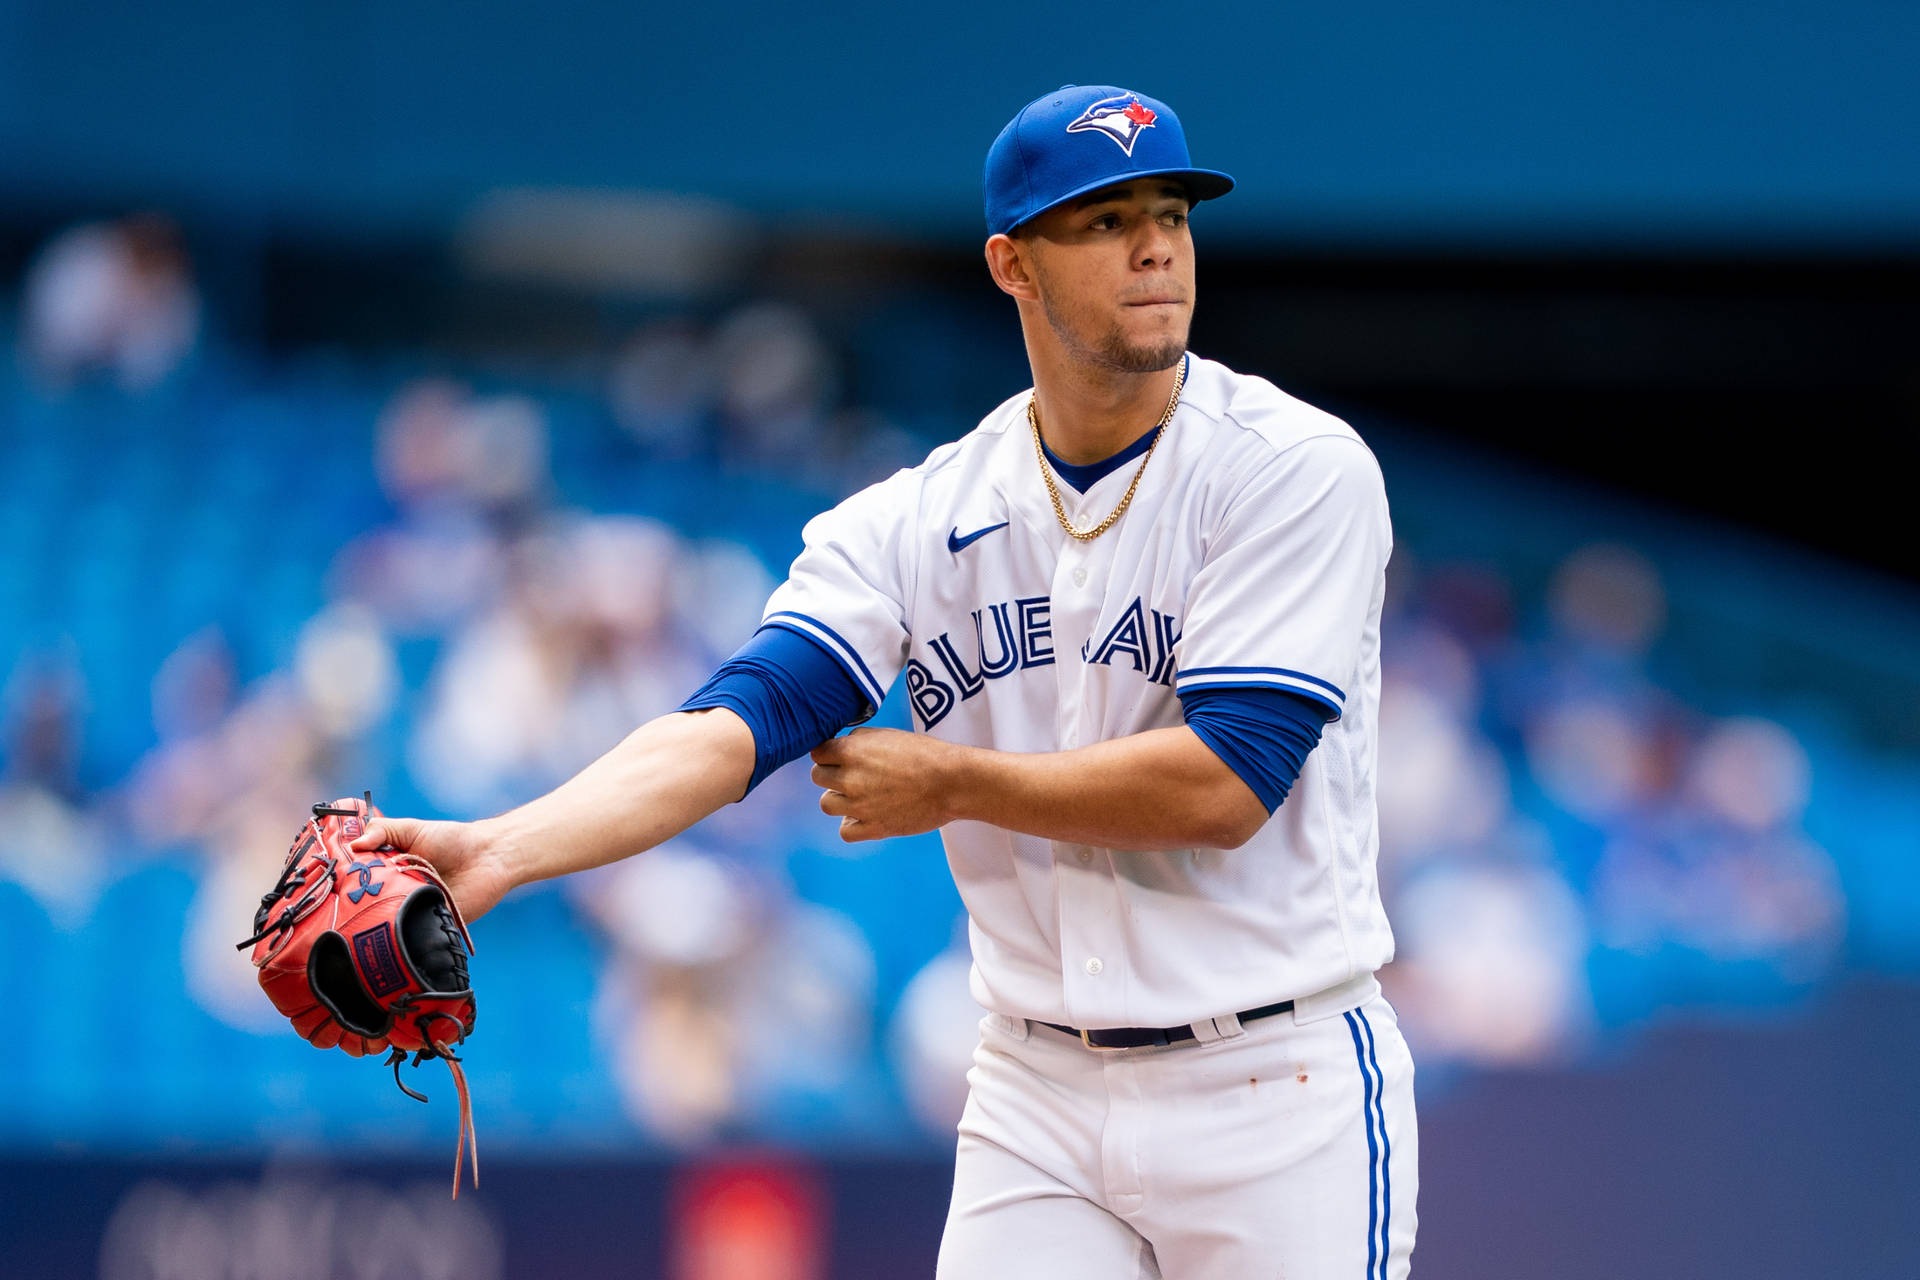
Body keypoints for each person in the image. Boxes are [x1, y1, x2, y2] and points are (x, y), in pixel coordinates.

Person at [355, 84, 1416, 1279]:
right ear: (1013, 264)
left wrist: (956, 779)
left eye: (1171, 209)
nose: (1157, 244)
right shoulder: (917, 518)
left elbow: (1229, 779)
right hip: (1041, 1090)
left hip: (1273, 1079)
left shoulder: (1292, 470)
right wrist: (504, 846)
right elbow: (732, 724)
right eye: (1106, 219)